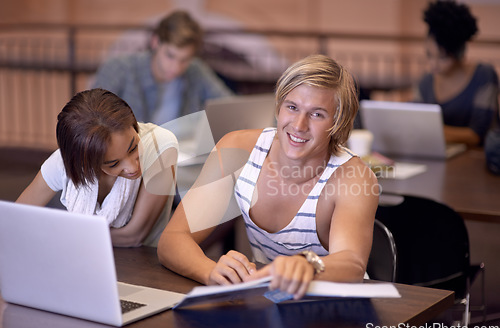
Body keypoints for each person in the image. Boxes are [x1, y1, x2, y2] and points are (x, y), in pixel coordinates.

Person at [157, 54, 379, 300]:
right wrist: (212, 273)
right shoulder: (237, 149)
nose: (299, 125)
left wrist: (308, 265)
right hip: (266, 302)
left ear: (337, 122)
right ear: (278, 107)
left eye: (317, 114)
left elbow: (352, 264)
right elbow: (173, 239)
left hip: (332, 308)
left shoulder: (354, 176)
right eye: (292, 107)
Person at [16, 88, 178, 247]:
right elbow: (16, 219)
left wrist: (63, 235)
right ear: (86, 163)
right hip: (83, 258)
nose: (132, 167)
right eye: (113, 163)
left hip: (144, 263)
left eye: (133, 147)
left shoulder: (160, 145)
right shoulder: (66, 162)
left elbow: (134, 236)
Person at [92, 10, 232, 126]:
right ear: (155, 42)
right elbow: (92, 117)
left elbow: (229, 104)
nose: (176, 67)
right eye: (170, 56)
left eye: (185, 60)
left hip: (181, 154)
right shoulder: (118, 68)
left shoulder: (195, 70)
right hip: (133, 154)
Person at [414, 0, 499, 147]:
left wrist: (429, 131)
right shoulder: (426, 82)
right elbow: (415, 121)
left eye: (442, 58)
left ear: (459, 54)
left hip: (476, 161)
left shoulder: (484, 76)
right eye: (429, 54)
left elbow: (477, 134)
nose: (433, 64)